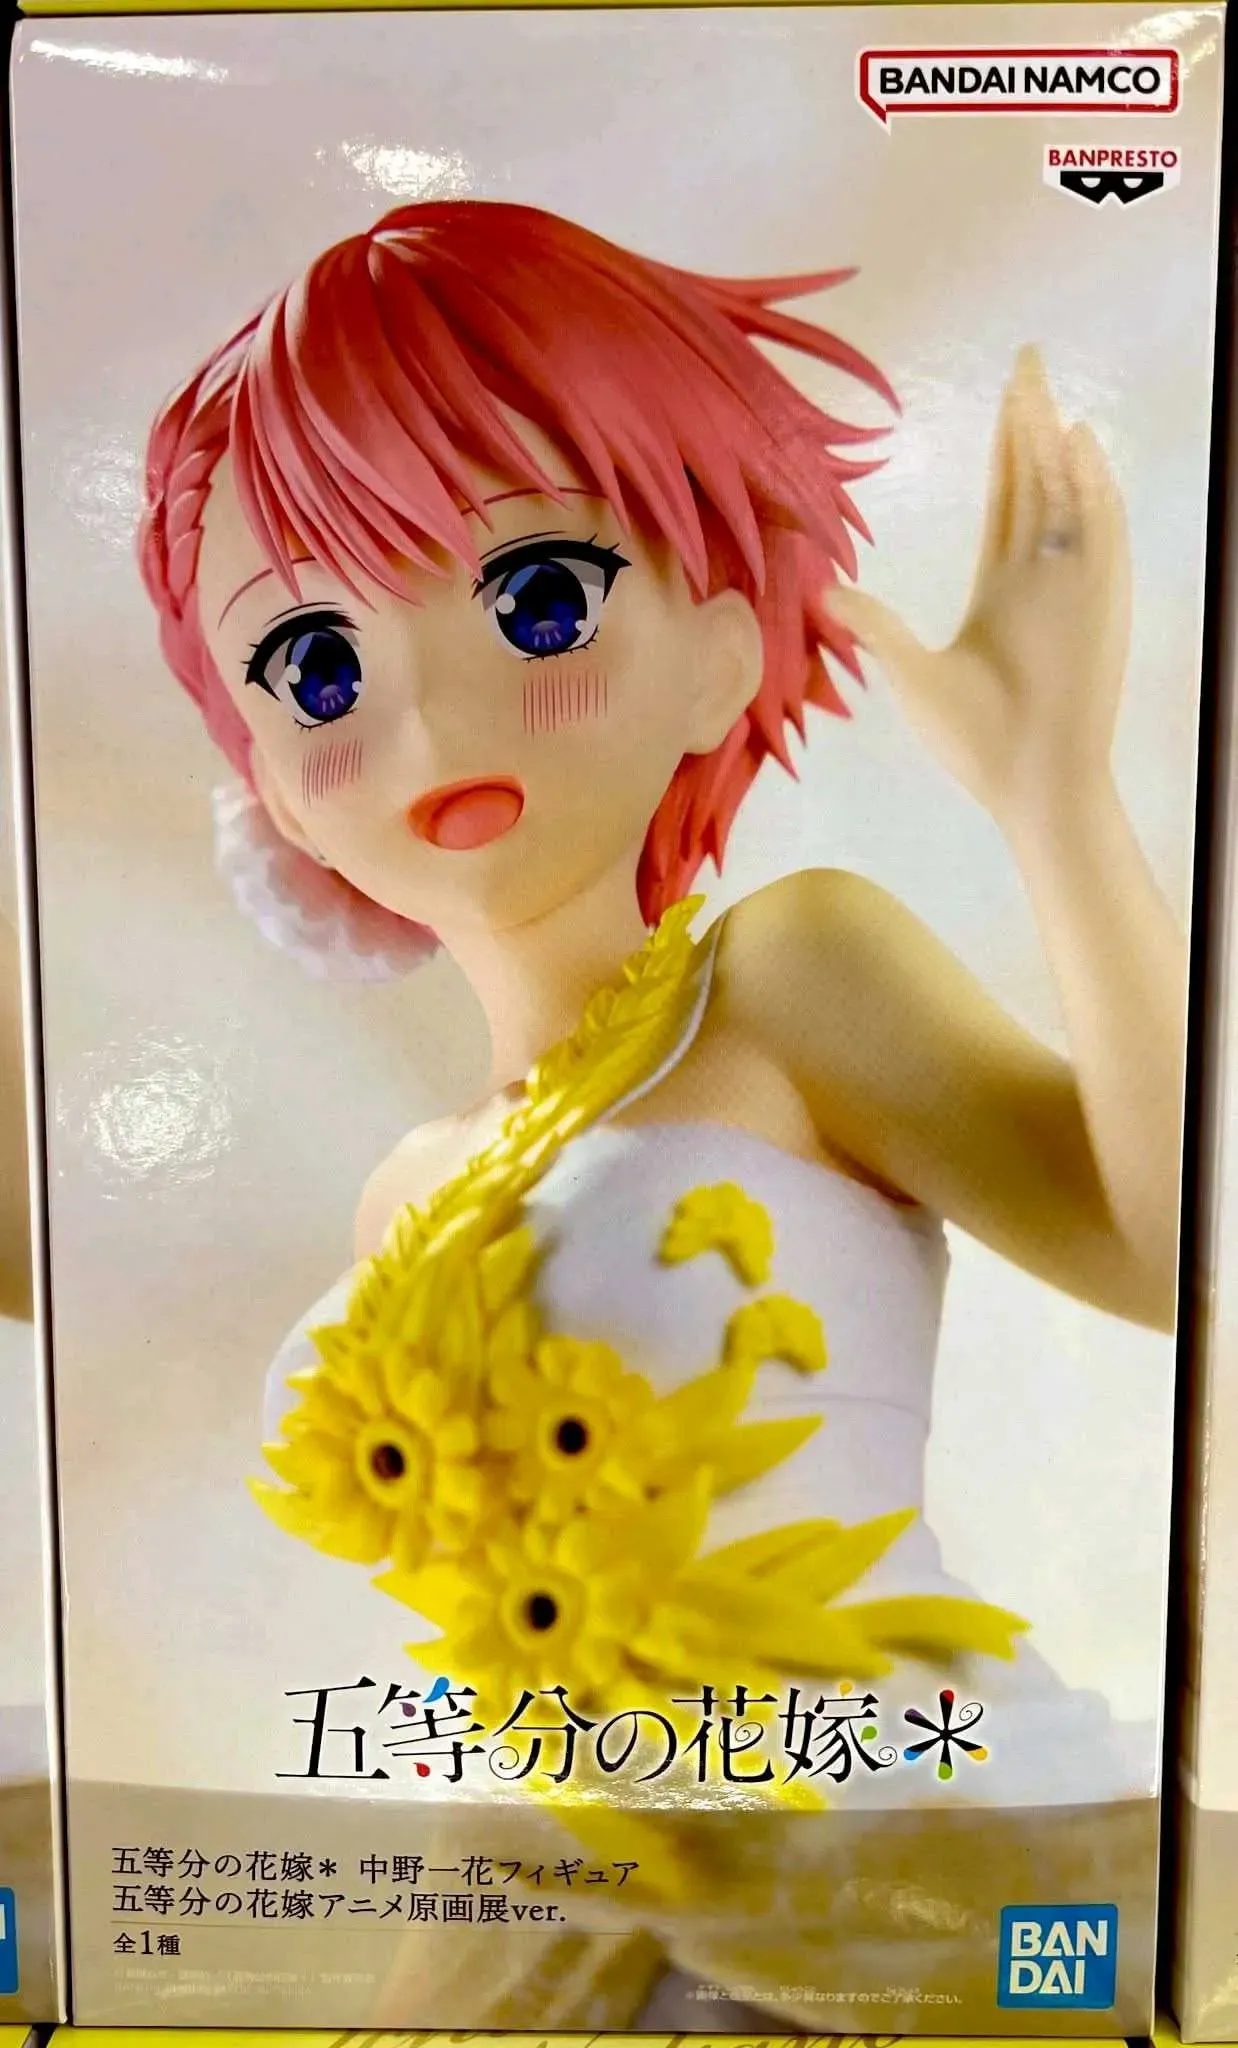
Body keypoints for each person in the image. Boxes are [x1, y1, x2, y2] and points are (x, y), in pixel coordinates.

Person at [138, 198, 1180, 2022]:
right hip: (561, 1908)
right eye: (316, 665)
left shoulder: (781, 975)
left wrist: (1053, 797)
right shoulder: (407, 1192)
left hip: (891, 1857)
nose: (429, 718)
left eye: (538, 598)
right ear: (275, 793)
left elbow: (1174, 1257)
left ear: (719, 643)